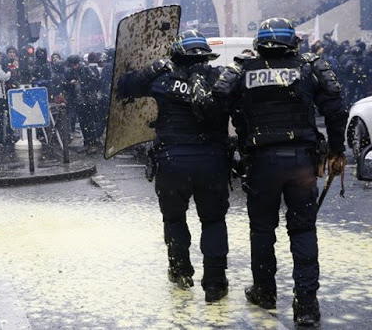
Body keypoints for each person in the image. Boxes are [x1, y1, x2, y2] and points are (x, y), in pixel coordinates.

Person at [212, 18, 348, 326]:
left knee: (262, 231)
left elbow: (218, 103)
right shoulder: (309, 67)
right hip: (301, 162)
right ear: (294, 43)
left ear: (259, 43)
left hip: (262, 163)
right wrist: (338, 150)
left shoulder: (243, 70)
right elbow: (337, 109)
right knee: (303, 230)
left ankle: (264, 291)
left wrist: (241, 137)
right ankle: (306, 306)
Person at [118, 30, 230, 302]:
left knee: (174, 218)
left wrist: (153, 68)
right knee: (213, 221)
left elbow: (125, 87)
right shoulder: (220, 79)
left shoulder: (162, 81)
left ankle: (180, 270)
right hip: (212, 161)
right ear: (206, 55)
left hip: (173, 162)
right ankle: (215, 282)